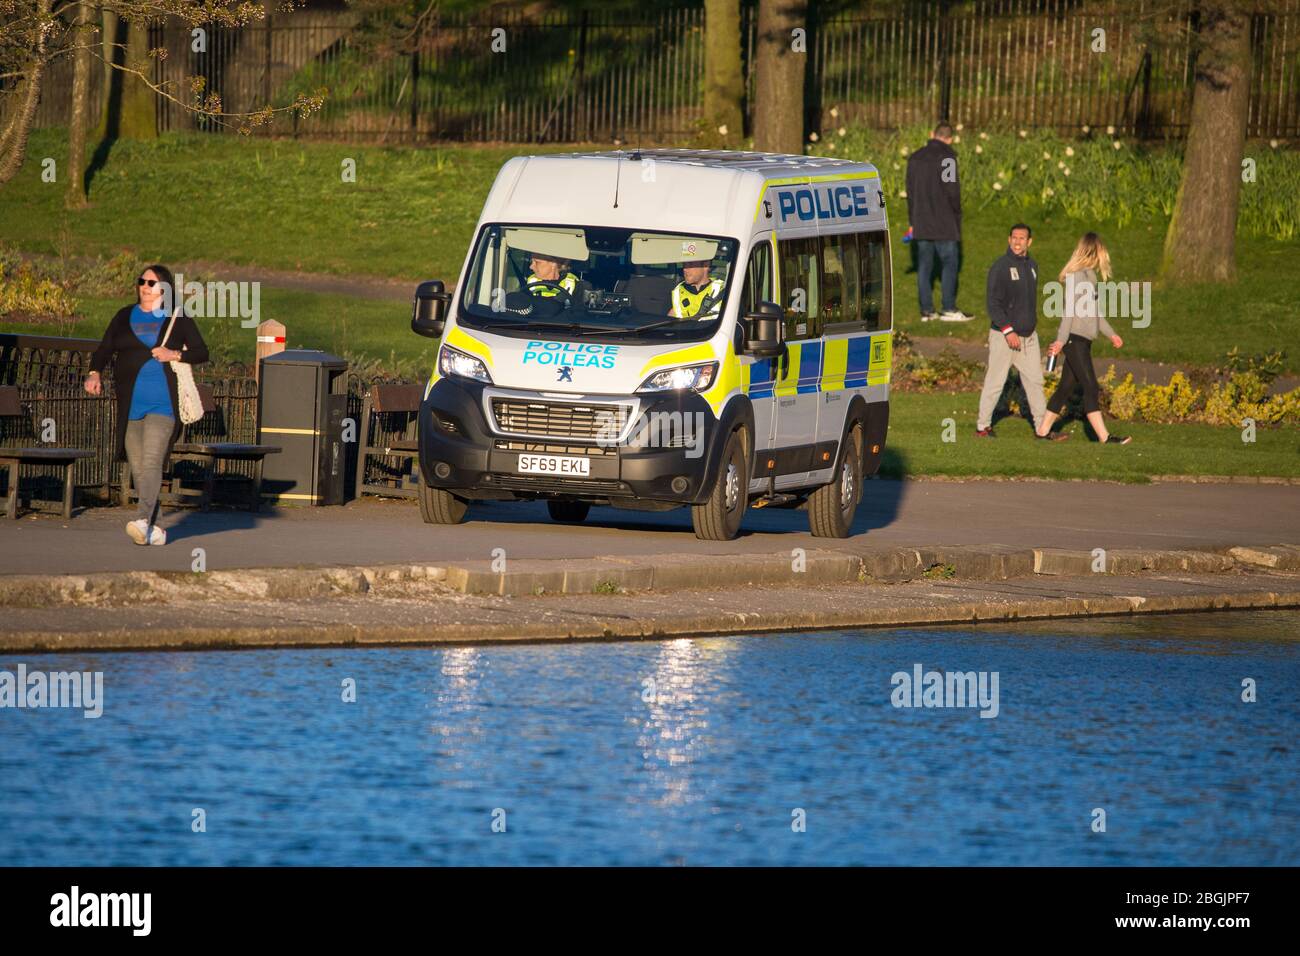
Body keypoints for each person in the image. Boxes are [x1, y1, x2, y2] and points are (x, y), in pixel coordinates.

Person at [84, 265, 210, 545]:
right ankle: (156, 529)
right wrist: (95, 373)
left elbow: (202, 352)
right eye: (142, 281)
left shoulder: (178, 318)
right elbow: (105, 348)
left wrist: (173, 353)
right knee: (139, 467)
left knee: (152, 462)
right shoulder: (123, 316)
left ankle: (142, 519)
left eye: (152, 283)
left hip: (163, 404)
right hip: (130, 405)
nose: (145, 286)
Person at [1038, 233, 1131, 445]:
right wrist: (1061, 340)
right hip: (1074, 341)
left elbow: (1095, 314)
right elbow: (1068, 311)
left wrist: (1112, 334)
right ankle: (1105, 438)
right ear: (1093, 250)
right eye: (1100, 251)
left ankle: (1042, 432)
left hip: (1083, 341)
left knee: (1065, 388)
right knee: (1090, 387)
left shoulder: (1089, 276)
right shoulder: (1076, 276)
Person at [976, 224, 1064, 440]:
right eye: (1014, 238)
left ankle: (1042, 429)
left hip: (1028, 338)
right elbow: (993, 304)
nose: (1017, 242)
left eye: (1022, 238)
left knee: (1035, 383)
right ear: (1009, 239)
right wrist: (1008, 330)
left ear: (1029, 242)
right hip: (1004, 337)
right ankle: (982, 427)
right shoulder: (1000, 267)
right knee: (995, 383)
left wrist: (1029, 329)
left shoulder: (1032, 266)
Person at [905, 122, 973, 323]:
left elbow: (910, 194)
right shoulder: (948, 158)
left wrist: (912, 221)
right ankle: (948, 308)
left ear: (931, 134)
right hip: (945, 222)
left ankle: (927, 310)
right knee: (949, 264)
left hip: (921, 221)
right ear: (950, 139)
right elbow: (952, 190)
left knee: (924, 266)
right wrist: (957, 215)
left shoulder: (915, 159)